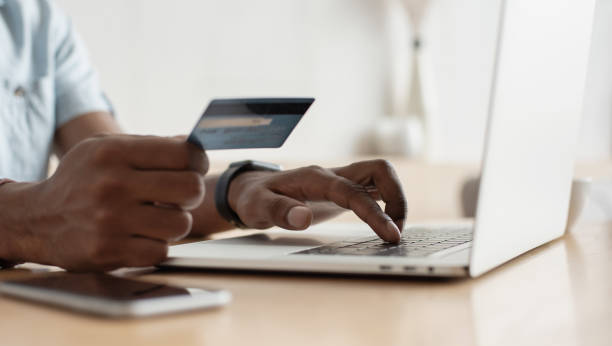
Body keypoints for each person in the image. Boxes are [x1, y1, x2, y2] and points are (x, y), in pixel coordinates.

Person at [0, 0, 407, 271]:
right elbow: (45, 216)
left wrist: (237, 190)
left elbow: (125, 196)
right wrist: (22, 221)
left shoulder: (37, 21)